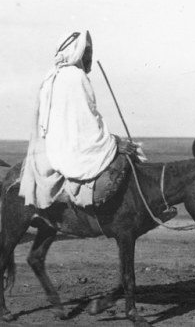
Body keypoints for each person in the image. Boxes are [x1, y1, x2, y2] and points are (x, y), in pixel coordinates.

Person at [19, 30, 140, 208]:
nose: (90, 56)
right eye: (87, 51)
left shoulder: (51, 77)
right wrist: (114, 142)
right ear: (75, 52)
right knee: (131, 156)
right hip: (74, 149)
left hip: (52, 148)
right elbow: (88, 124)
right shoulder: (76, 77)